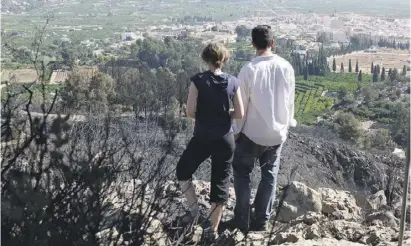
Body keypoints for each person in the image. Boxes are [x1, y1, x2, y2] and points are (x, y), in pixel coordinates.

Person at [226, 25, 296, 232]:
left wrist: (236, 131)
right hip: (276, 135)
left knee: (242, 174)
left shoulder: (248, 70)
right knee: (269, 176)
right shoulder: (286, 67)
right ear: (272, 43)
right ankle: (261, 222)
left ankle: (242, 218)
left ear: (253, 44)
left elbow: (242, 106)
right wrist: (287, 124)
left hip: (251, 133)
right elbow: (290, 100)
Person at [176, 42, 244, 241]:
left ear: (205, 59)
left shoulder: (197, 80)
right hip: (225, 138)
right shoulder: (233, 81)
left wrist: (206, 115)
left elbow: (189, 111)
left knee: (183, 171)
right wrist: (224, 114)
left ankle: (195, 213)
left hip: (203, 136)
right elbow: (239, 113)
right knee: (220, 182)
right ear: (223, 60)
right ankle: (213, 230)